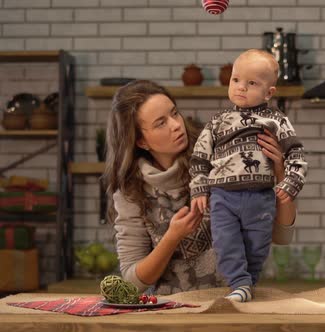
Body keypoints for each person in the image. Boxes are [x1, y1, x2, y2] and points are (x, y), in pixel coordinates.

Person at [104, 80, 297, 296]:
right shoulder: (130, 192)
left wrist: (281, 174)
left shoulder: (220, 157)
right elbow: (132, 283)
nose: (176, 124)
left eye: (174, 113)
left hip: (233, 306)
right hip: (169, 316)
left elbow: (281, 237)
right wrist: (172, 237)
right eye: (161, 123)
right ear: (141, 141)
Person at [189, 49, 307, 302]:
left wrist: (291, 180)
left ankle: (247, 284)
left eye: (251, 83)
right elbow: (199, 158)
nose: (241, 87)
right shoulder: (217, 122)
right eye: (235, 80)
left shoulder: (277, 120)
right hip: (223, 196)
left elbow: (295, 152)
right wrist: (199, 188)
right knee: (226, 241)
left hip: (261, 197)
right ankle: (240, 284)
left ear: (269, 92)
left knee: (257, 245)